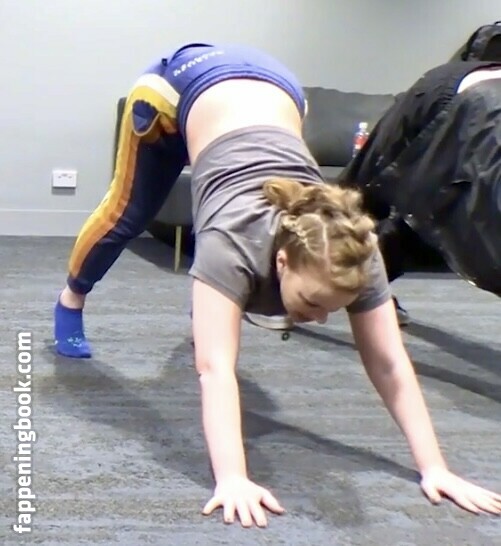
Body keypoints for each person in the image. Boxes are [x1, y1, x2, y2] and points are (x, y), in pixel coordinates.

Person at [53, 43, 501, 527]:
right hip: (182, 83)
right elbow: (215, 372)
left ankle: (213, 306)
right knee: (129, 213)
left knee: (220, 296)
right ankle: (70, 301)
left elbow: (391, 363)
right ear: (282, 260)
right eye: (312, 301)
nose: (321, 320)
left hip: (277, 88)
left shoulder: (356, 249)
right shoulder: (231, 244)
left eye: (333, 308)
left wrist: (435, 467)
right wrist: (233, 478)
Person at [337, 60, 501, 300]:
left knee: (421, 219)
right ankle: (293, 283)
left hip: (477, 110)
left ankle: (371, 297)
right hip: (447, 96)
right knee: (351, 201)